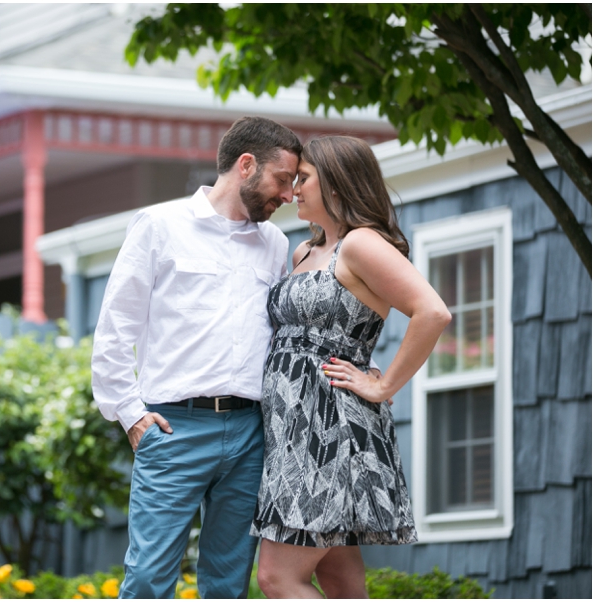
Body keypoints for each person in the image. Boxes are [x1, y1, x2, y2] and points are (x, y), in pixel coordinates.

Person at [91, 116, 302, 598]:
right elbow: (115, 327)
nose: (289, 195)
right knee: (148, 579)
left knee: (228, 584)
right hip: (173, 428)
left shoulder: (274, 245)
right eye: (282, 179)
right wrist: (130, 416)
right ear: (246, 166)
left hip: (250, 433)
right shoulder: (158, 227)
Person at [250, 136, 452, 599]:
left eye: (303, 179)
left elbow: (432, 312)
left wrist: (383, 386)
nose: (293, 189)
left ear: (337, 184)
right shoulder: (304, 252)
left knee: (277, 578)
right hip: (291, 430)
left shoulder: (361, 244)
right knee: (340, 580)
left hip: (328, 431)